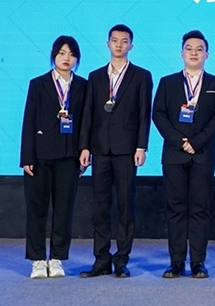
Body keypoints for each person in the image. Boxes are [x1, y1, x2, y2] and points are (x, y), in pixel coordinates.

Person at [78, 24, 153, 279]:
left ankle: (121, 260)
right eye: (114, 40)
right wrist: (85, 146)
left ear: (131, 45)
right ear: (107, 43)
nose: (119, 45)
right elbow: (88, 114)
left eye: (124, 41)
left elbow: (144, 114)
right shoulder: (95, 76)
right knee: (100, 206)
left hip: (127, 150)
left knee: (125, 205)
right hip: (99, 148)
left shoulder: (142, 76)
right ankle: (101, 260)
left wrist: (141, 146)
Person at [153, 30, 215, 279]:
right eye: (189, 48)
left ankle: (198, 262)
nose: (194, 53)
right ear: (181, 53)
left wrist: (196, 141)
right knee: (175, 209)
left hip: (203, 153)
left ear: (207, 54)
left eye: (199, 49)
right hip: (174, 154)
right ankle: (176, 262)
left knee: (199, 208)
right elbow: (158, 115)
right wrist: (179, 141)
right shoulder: (167, 82)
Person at [19, 35, 86, 279]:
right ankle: (37, 259)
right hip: (40, 155)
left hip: (70, 155)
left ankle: (57, 258)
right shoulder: (38, 84)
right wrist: (27, 156)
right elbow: (29, 120)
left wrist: (85, 151)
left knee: (64, 209)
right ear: (53, 55)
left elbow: (86, 123)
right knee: (36, 208)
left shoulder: (83, 85)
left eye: (72, 54)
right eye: (62, 53)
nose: (67, 58)